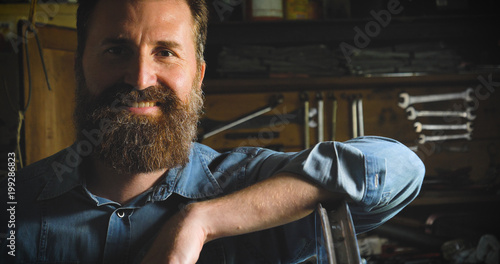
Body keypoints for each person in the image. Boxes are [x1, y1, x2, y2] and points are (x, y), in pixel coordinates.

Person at [0, 0, 425, 263]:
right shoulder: (15, 203)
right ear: (79, 68)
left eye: (165, 52)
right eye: (117, 50)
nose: (139, 77)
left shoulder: (250, 185)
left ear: (198, 76)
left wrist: (202, 220)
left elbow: (399, 168)